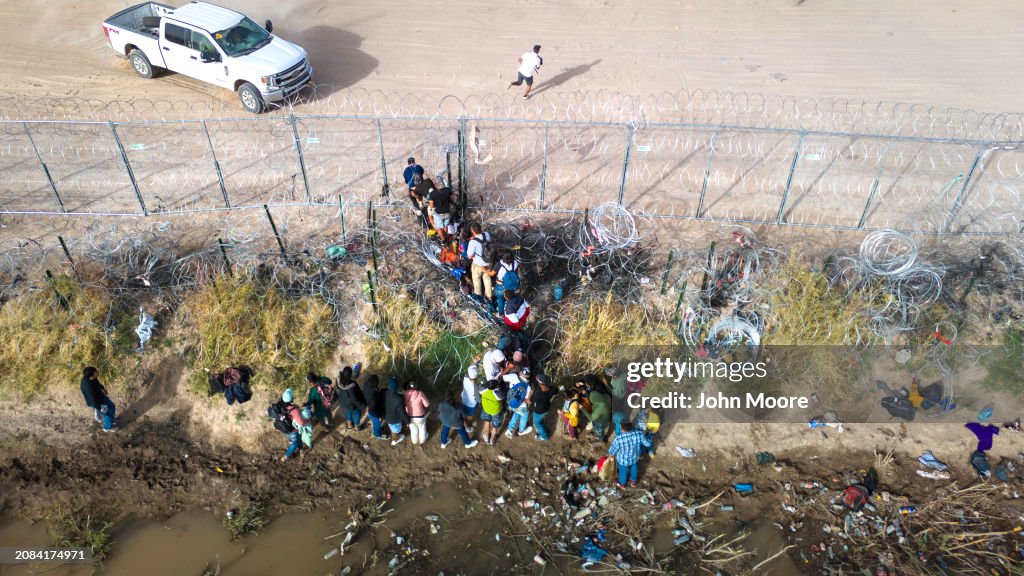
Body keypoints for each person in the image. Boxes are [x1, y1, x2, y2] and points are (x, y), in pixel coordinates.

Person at [608, 422, 652, 488]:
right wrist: (649, 436)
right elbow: (648, 444)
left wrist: (610, 455)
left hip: (623, 460)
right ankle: (633, 482)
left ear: (621, 427)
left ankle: (622, 484)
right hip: (635, 457)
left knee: (623, 471)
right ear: (631, 426)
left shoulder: (618, 438)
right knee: (634, 467)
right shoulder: (639, 433)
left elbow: (611, 451)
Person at [466, 223, 495, 310]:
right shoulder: (486, 234)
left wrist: (472, 241)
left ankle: (478, 296)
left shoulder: (472, 242)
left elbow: (469, 256)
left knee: (477, 280)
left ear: (473, 231)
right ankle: (489, 297)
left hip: (478, 264)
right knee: (487, 279)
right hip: (489, 262)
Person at [80, 367, 117, 432]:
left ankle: (111, 420)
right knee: (107, 414)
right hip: (98, 403)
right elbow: (92, 400)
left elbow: (97, 383)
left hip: (102, 397)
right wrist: (99, 408)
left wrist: (103, 388)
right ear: (91, 375)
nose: (97, 371)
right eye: (95, 371)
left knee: (112, 406)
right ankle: (107, 428)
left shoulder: (93, 378)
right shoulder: (88, 387)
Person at [504, 367, 534, 439]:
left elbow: (503, 378)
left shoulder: (514, 377)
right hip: (521, 406)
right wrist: (532, 393)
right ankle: (521, 431)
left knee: (516, 414)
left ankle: (510, 430)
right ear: (528, 377)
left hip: (511, 403)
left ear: (520, 373)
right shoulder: (528, 387)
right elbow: (526, 400)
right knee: (524, 416)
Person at [581, 376, 612, 441]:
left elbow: (591, 418)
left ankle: (601, 439)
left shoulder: (599, 409)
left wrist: (582, 408)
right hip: (606, 415)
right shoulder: (607, 396)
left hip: (601, 421)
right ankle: (596, 433)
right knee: (595, 426)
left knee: (599, 430)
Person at [479, 379, 506, 446]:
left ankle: (487, 438)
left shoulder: (482, 390)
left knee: (487, 422)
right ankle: (492, 440)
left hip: (486, 409)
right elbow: (504, 396)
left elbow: (481, 386)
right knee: (494, 427)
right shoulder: (498, 394)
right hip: (496, 412)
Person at [494, 252, 521, 320]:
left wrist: (484, 271)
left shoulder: (500, 264)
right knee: (511, 298)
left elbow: (492, 273)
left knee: (500, 299)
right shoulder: (515, 263)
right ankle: (511, 312)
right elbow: (518, 272)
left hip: (501, 285)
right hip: (513, 286)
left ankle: (501, 314)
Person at [404, 380, 431, 445]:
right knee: (422, 428)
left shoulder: (405, 394)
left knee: (413, 430)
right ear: (415, 386)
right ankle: (422, 441)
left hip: (409, 416)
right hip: (420, 416)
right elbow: (427, 404)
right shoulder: (420, 393)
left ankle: (414, 441)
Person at [384, 377, 409, 445]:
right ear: (397, 387)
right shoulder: (399, 399)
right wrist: (408, 421)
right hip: (395, 420)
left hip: (387, 417)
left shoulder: (385, 393)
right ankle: (395, 440)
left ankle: (395, 436)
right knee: (395, 431)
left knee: (392, 428)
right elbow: (402, 412)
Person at [362, 375, 389, 440]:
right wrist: (379, 417)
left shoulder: (366, 384)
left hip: (370, 409)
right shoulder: (373, 399)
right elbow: (374, 410)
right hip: (374, 414)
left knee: (376, 424)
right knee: (377, 424)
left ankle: (377, 430)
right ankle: (377, 435)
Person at [529, 374, 555, 441]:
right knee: (540, 421)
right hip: (546, 408)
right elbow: (557, 390)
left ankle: (544, 437)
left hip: (539, 411)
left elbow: (530, 401)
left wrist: (532, 392)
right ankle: (542, 425)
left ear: (539, 383)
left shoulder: (539, 395)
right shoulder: (552, 389)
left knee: (537, 424)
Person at [461, 364, 481, 433]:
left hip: (464, 400)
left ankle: (464, 424)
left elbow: (470, 371)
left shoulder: (466, 377)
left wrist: (476, 362)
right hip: (471, 404)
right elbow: (478, 399)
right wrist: (480, 402)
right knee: (469, 416)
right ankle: (467, 427)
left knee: (463, 414)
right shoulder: (476, 386)